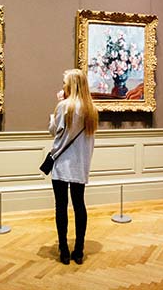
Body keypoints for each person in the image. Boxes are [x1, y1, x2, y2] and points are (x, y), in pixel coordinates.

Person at [48, 69, 98, 265]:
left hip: (61, 164)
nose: (62, 86)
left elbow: (54, 132)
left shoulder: (64, 107)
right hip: (81, 164)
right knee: (79, 205)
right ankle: (79, 249)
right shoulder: (91, 110)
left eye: (65, 83)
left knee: (61, 207)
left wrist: (55, 110)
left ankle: (64, 250)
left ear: (72, 85)